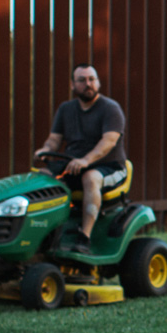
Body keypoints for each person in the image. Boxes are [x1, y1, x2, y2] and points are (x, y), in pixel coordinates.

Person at [34, 64, 128, 254]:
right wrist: (45, 149)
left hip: (109, 167)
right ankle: (43, 233)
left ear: (98, 83)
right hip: (74, 165)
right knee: (41, 178)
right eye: (82, 80)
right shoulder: (66, 109)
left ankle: (84, 238)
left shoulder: (110, 108)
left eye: (92, 79)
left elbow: (108, 142)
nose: (88, 84)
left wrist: (86, 160)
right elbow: (54, 140)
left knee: (90, 178)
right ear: (72, 85)